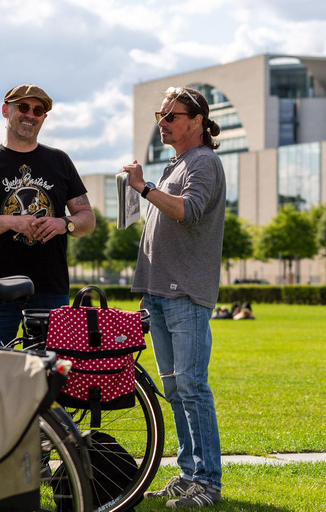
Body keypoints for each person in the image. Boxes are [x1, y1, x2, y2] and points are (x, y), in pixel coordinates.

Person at [123, 86, 225, 507]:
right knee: (175, 389)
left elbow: (187, 210)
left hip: (185, 293)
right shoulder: (176, 164)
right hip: (159, 294)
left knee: (192, 386)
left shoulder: (204, 161)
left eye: (171, 116)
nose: (162, 123)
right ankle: (187, 474)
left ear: (196, 121)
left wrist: (143, 188)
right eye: (160, 115)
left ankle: (208, 483)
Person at [0, 84, 95, 346]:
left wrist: (64, 223)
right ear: (5, 110)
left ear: (44, 117)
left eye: (38, 110)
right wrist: (11, 221)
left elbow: (87, 218)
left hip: (50, 290)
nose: (30, 114)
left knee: (51, 378)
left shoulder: (60, 161)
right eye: (23, 107)